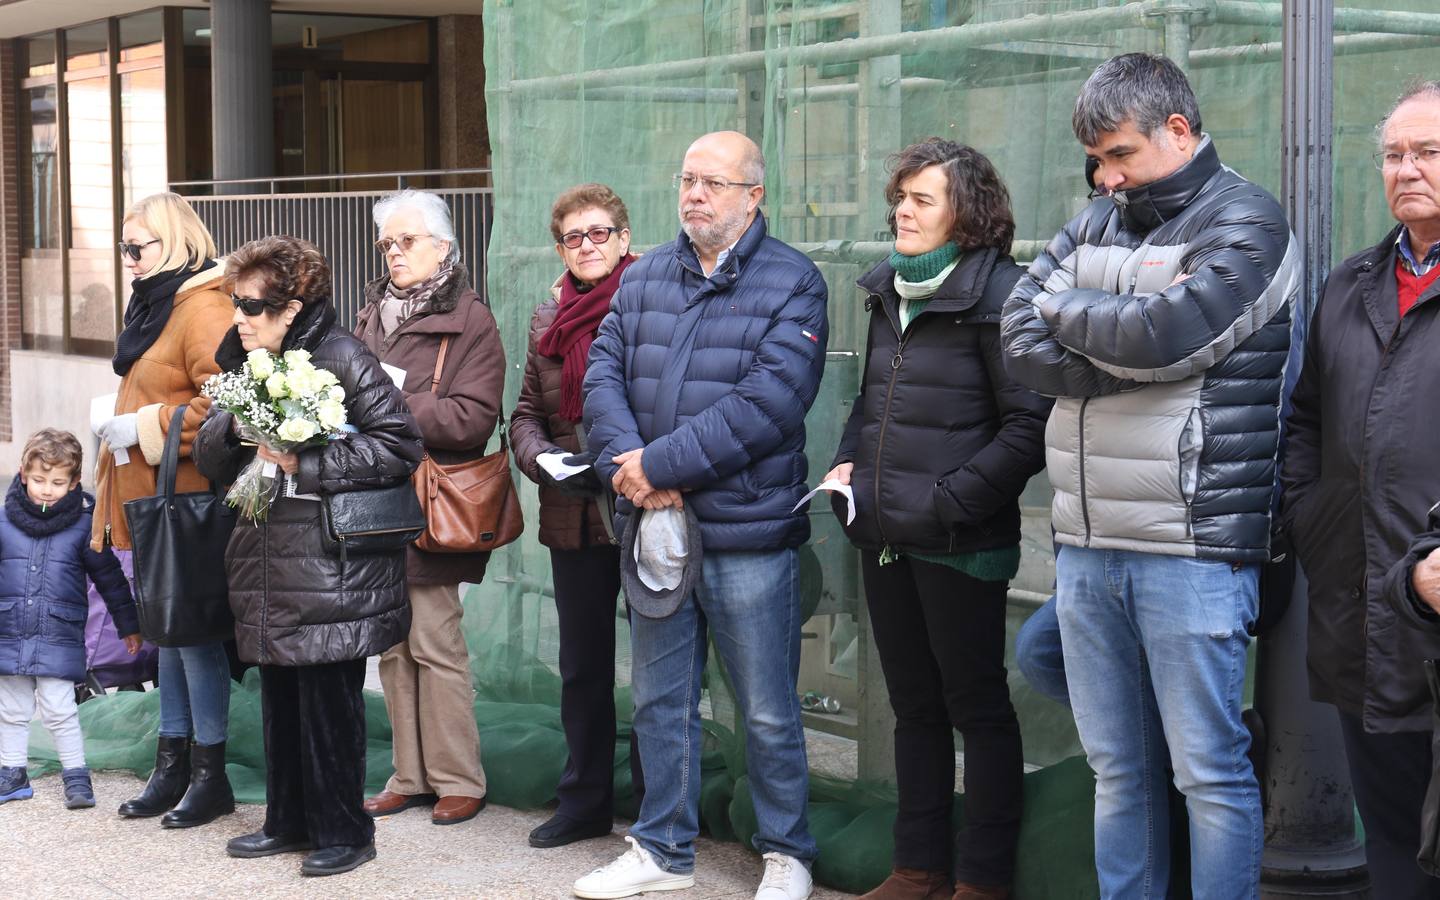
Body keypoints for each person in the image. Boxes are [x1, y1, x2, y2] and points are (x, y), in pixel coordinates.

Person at [1001, 53, 1298, 899]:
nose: (1106, 176)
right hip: (1090, 541)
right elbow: (1020, 335)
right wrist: (1116, 335)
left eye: (1121, 154)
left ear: (1178, 129)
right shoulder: (1102, 214)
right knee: (1119, 773)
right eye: (1096, 160)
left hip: (1193, 545)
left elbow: (1170, 333)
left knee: (1208, 775)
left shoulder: (1249, 220)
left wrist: (1073, 314)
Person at [575, 131, 826, 900]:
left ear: (755, 196)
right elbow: (601, 375)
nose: (695, 195)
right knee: (661, 700)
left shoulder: (794, 282)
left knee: (769, 710)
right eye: (688, 179)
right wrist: (629, 463)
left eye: (714, 182)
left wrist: (659, 466)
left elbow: (768, 406)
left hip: (748, 536)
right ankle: (662, 850)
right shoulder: (646, 274)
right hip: (656, 528)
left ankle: (787, 852)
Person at [823, 139, 1049, 900]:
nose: (903, 211)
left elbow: (1027, 430)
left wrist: (946, 504)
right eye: (902, 198)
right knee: (912, 705)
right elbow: (869, 406)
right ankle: (917, 868)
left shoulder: (1004, 296)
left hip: (960, 543)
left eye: (922, 199)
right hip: (885, 535)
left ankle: (981, 880)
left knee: (977, 709)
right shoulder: (888, 289)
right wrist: (850, 473)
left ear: (969, 215)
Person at [193, 236, 423, 877]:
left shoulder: (343, 355)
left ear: (292, 308)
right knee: (282, 692)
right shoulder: (245, 355)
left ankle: (346, 833)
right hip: (265, 554)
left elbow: (401, 445)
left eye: (253, 305)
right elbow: (211, 461)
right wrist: (237, 423)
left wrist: (307, 459)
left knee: (328, 698)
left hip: (330, 562)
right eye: (234, 302)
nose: (239, 316)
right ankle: (288, 821)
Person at [1283, 80, 1440, 899]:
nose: (1405, 169)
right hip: (1362, 608)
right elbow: (1306, 420)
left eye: (1429, 152)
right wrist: (1314, 519)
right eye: (1393, 154)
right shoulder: (1351, 286)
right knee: (1390, 837)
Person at [354, 189, 500, 827]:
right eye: (387, 242)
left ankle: (458, 777)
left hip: (429, 500)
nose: (394, 252)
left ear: (443, 245)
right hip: (373, 501)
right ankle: (408, 774)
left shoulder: (471, 320)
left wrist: (391, 400)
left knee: (435, 641)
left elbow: (473, 420)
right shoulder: (368, 315)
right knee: (389, 645)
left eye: (406, 240)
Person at [511, 182, 645, 849]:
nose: (586, 246)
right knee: (582, 665)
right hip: (572, 513)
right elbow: (526, 417)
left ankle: (656, 805)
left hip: (643, 505)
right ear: (560, 247)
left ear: (623, 239)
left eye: (599, 233)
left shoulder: (653, 303)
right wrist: (543, 460)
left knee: (657, 662)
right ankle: (585, 801)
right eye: (573, 236)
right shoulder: (547, 320)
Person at [99, 192, 236, 828]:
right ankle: (174, 765)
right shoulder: (157, 301)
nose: (128, 259)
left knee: (195, 639)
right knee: (169, 637)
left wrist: (144, 425)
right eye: (124, 248)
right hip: (156, 499)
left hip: (186, 501)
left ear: (174, 242)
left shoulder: (203, 306)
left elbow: (232, 403)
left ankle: (209, 776)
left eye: (138, 247)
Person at [0, 429, 141, 809]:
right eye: (40, 480)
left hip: (58, 632)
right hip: (10, 628)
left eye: (58, 482)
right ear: (23, 474)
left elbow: (109, 577)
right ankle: (12, 773)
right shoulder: (3, 521)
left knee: (60, 709)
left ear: (75, 481)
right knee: (11, 709)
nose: (47, 489)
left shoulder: (83, 524)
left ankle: (76, 775)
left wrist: (128, 624)